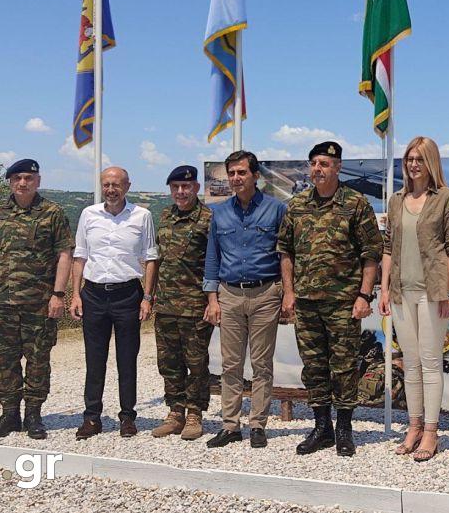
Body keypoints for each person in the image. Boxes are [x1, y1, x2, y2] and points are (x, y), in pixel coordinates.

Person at [277, 141, 383, 457]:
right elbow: (286, 251)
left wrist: (365, 295)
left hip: (343, 303)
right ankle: (322, 428)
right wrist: (289, 292)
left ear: (337, 167)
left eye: (325, 164)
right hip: (307, 303)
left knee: (345, 366)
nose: (318, 169)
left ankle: (345, 429)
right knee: (314, 367)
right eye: (314, 164)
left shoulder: (356, 203)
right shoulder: (296, 205)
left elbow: (371, 252)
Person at [0, 159, 73, 440]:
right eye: (17, 178)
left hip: (39, 303)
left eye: (28, 178)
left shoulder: (52, 213)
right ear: (9, 181)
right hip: (2, 303)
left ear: (38, 181)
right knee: (4, 360)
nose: (22, 183)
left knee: (38, 359)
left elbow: (64, 254)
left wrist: (58, 294)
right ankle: (9, 414)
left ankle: (33, 414)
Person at [378, 136, 449, 463]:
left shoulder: (444, 199)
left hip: (433, 293)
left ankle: (431, 431)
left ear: (431, 163)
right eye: (410, 158)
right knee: (409, 364)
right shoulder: (396, 200)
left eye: (420, 159)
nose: (414, 164)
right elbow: (388, 247)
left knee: (430, 364)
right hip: (401, 293)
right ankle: (413, 426)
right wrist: (384, 289)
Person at [202, 151, 288, 450]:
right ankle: (230, 425)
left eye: (242, 173)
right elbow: (213, 255)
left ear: (255, 176)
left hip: (265, 294)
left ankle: (258, 425)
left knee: (262, 363)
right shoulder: (219, 212)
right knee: (231, 364)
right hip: (229, 294)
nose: (236, 178)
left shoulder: (277, 209)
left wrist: (287, 292)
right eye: (232, 173)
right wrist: (212, 298)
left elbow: (284, 255)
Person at [69, 166, 159, 439]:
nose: (111, 190)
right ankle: (92, 417)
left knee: (127, 359)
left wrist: (147, 297)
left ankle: (127, 416)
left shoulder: (142, 216)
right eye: (106, 184)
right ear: (101, 185)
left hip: (128, 295)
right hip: (93, 294)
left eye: (116, 185)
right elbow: (80, 256)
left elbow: (151, 257)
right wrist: (75, 294)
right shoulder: (88, 215)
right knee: (94, 360)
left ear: (127, 186)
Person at [150, 165, 213, 440]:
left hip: (195, 305)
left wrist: (213, 301)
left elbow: (214, 263)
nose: (180, 192)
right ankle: (175, 412)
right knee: (169, 361)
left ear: (196, 188)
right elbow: (156, 259)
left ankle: (195, 413)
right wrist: (148, 296)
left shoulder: (208, 219)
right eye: (175, 187)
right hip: (165, 306)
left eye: (186, 187)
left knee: (196, 363)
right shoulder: (164, 217)